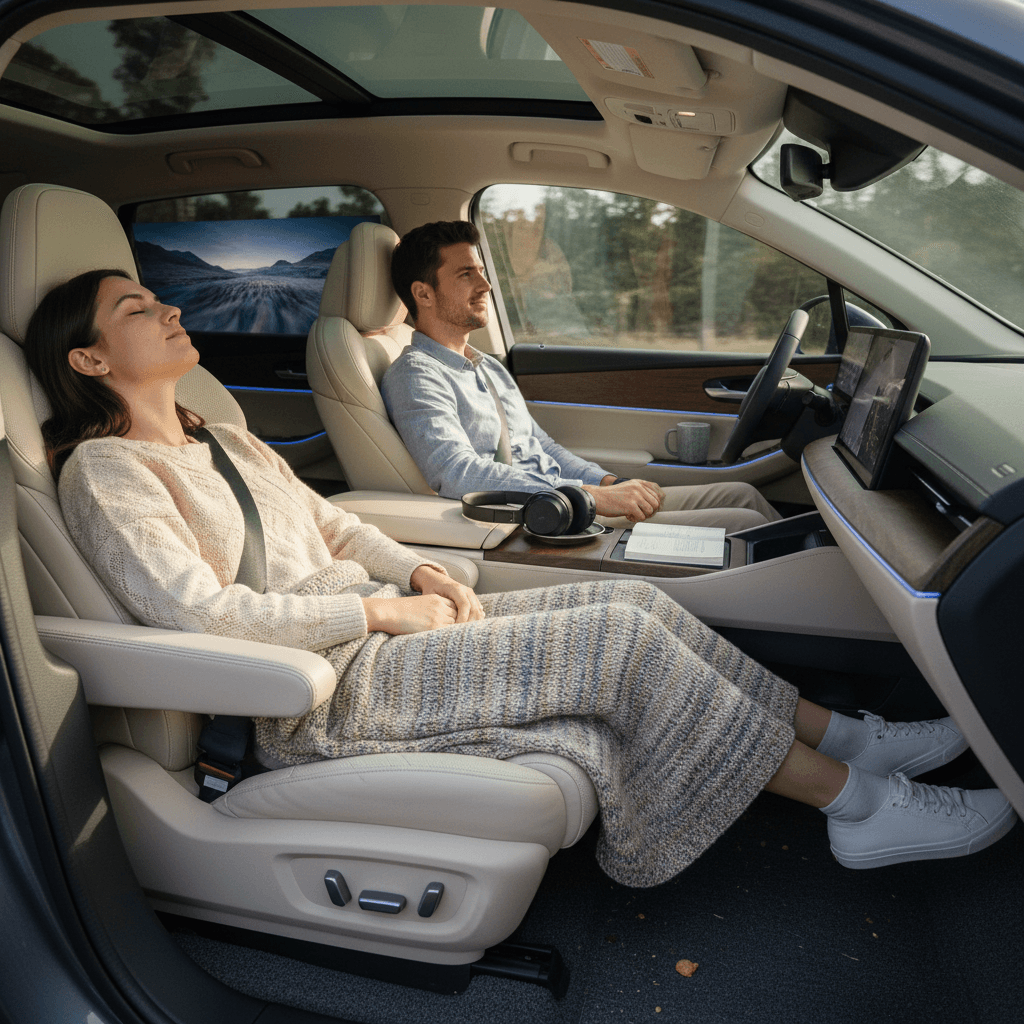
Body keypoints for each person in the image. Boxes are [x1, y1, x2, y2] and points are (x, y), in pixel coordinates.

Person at [24, 269, 1017, 885]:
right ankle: (857, 806)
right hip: (315, 693)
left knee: (632, 596)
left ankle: (851, 734)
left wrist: (409, 562)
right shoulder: (109, 471)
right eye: (137, 307)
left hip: (374, 638)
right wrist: (377, 605)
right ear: (89, 357)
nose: (170, 308)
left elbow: (333, 519)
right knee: (620, 640)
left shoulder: (221, 432)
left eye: (158, 295)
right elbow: (200, 611)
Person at [381, 220, 782, 531]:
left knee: (742, 494)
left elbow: (543, 446)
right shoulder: (416, 376)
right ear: (424, 293)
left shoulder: (486, 366)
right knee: (741, 525)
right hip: (546, 516)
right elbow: (457, 473)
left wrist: (607, 482)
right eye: (466, 274)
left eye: (482, 271)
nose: (486, 285)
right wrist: (585, 494)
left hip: (571, 499)